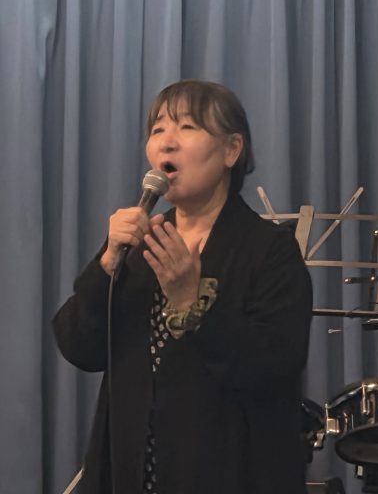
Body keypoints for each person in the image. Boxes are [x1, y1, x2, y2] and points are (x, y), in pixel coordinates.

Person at [53, 79, 313, 494]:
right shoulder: (140, 245)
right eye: (158, 129)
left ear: (231, 150)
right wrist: (106, 264)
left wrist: (193, 304)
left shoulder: (268, 249)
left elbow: (273, 366)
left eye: (187, 127)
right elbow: (79, 346)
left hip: (229, 472)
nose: (167, 142)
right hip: (132, 472)